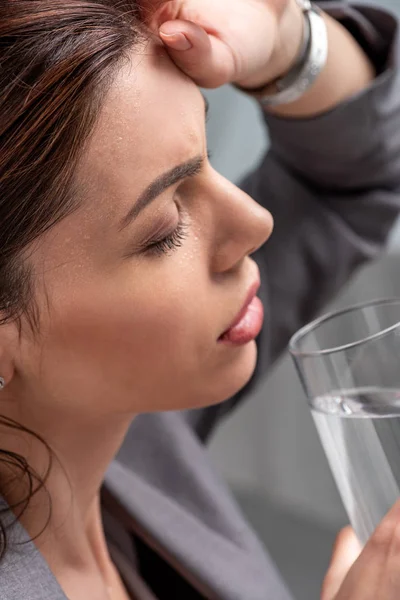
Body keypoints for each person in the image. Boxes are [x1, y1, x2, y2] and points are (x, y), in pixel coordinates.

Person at [1, 0, 400, 598]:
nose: (257, 221)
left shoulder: (131, 433)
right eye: (164, 229)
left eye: (207, 154)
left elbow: (346, 182)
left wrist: (288, 46)